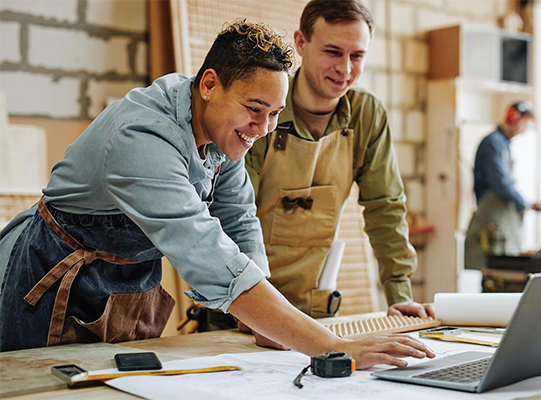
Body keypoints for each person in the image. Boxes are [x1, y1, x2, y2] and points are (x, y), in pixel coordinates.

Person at [0, 20, 435, 368]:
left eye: (274, 114)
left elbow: (240, 217)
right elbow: (208, 253)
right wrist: (335, 347)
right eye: (254, 110)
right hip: (54, 283)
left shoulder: (218, 130)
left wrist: (265, 322)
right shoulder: (143, 138)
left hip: (124, 288)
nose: (263, 129)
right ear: (210, 84)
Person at [242, 0, 433, 347]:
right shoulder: (263, 107)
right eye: (333, 52)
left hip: (315, 314)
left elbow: (385, 207)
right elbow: (233, 215)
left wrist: (399, 293)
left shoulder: (366, 115)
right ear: (301, 43)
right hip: (243, 311)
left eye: (357, 56)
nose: (344, 69)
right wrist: (253, 309)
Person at [464, 101, 541, 270]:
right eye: (524, 124)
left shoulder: (503, 144)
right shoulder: (493, 143)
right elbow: (500, 182)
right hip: (491, 219)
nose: (523, 130)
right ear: (513, 117)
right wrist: (523, 203)